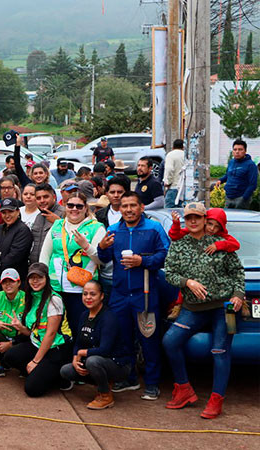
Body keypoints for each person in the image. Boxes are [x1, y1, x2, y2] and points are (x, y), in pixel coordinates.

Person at [162, 202, 245, 419]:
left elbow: (237, 272)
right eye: (189, 218)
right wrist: (187, 282)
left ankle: (216, 399)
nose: (193, 221)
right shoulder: (179, 244)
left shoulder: (221, 243)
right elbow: (169, 273)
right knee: (170, 341)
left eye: (197, 218)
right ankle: (183, 389)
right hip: (193, 307)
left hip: (224, 307)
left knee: (220, 351)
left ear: (204, 219)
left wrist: (238, 294)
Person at [97, 191, 169, 400]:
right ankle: (129, 378)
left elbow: (165, 255)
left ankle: (152, 383)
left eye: (133, 206)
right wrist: (102, 248)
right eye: (124, 206)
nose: (128, 210)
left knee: (149, 339)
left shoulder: (153, 228)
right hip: (119, 294)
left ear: (141, 208)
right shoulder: (112, 230)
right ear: (119, 209)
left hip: (145, 293)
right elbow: (104, 258)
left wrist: (142, 262)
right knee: (122, 339)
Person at [39, 192, 104, 340]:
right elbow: (45, 254)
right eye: (70, 205)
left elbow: (101, 259)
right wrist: (44, 282)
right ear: (64, 206)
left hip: (82, 289)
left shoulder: (96, 227)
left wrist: (86, 246)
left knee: (78, 328)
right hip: (55, 287)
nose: (74, 209)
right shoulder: (57, 225)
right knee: (54, 328)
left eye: (79, 206)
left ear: (85, 208)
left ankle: (78, 357)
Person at [2, 263, 72, 396]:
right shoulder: (33, 297)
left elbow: (50, 334)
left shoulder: (54, 300)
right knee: (10, 357)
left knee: (32, 389)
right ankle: (40, 373)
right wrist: (21, 328)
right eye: (32, 277)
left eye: (39, 277)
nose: (35, 281)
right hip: (37, 343)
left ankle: (60, 378)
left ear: (46, 278)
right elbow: (35, 332)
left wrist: (35, 361)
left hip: (55, 349)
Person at [60, 280, 132, 409]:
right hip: (96, 360)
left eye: (93, 294)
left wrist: (82, 353)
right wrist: (75, 357)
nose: (88, 297)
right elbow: (78, 342)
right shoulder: (84, 315)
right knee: (66, 371)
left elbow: (105, 349)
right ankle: (103, 383)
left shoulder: (109, 318)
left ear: (102, 296)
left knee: (93, 362)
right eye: (85, 294)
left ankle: (105, 396)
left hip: (118, 364)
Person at [93, 175, 131, 300]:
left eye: (120, 192)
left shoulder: (135, 217)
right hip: (103, 273)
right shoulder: (98, 216)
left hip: (127, 273)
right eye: (112, 192)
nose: (116, 195)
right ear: (106, 194)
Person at [0, 198, 34, 285]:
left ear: (18, 212)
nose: (7, 215)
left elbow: (14, 256)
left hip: (14, 280)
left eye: (10, 212)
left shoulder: (23, 230)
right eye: (4, 212)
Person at [28, 183, 65, 265]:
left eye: (45, 197)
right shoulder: (38, 216)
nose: (42, 201)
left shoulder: (65, 213)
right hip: (36, 266)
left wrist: (59, 222)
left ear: (54, 197)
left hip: (56, 267)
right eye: (38, 198)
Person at [215, 139, 257, 209]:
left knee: (239, 219)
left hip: (241, 198)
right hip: (228, 197)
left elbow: (253, 184)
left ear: (245, 151)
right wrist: (220, 180)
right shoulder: (231, 162)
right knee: (228, 218)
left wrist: (244, 198)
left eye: (240, 149)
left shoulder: (250, 165)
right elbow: (228, 175)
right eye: (235, 149)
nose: (237, 152)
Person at [163, 139, 185, 208]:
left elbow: (169, 169)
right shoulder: (186, 155)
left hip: (173, 187)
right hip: (184, 188)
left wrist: (167, 182)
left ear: (173, 147)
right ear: (183, 147)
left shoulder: (170, 155)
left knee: (169, 211)